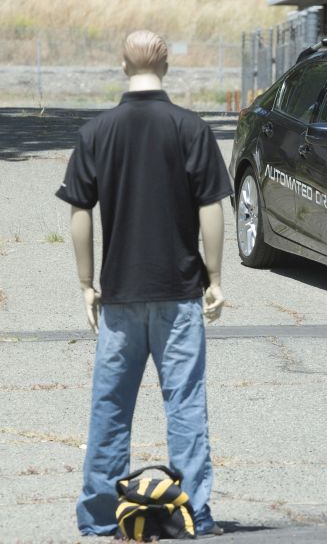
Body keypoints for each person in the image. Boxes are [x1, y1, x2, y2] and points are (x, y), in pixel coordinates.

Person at [56, 30, 232, 536]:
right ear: (168, 64)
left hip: (119, 297)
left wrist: (86, 282)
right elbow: (210, 206)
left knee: (110, 408)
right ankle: (193, 513)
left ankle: (98, 518)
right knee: (185, 407)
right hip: (179, 292)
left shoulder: (97, 132)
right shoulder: (190, 128)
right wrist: (215, 277)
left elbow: (80, 211)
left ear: (121, 64)